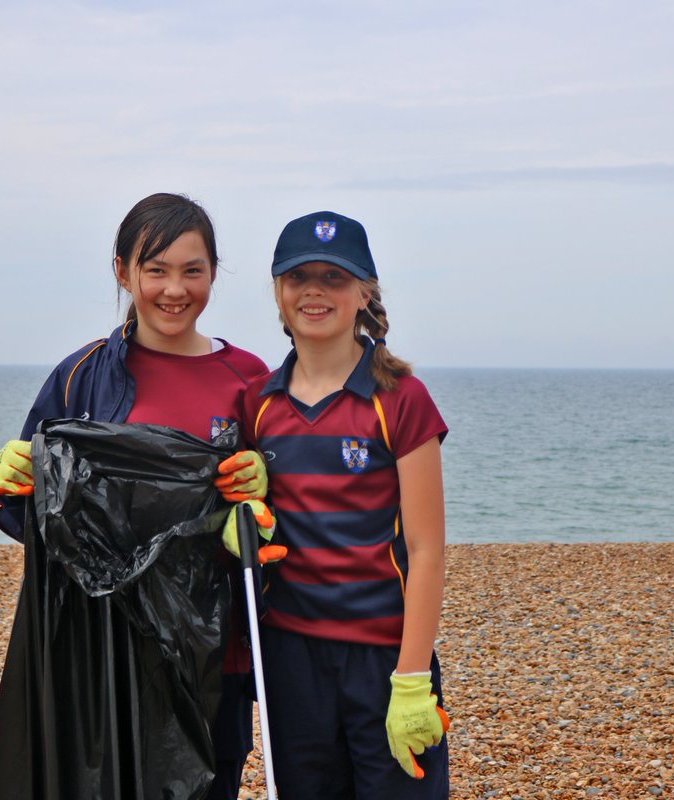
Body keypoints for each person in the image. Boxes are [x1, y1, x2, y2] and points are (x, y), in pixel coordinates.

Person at [0, 192, 268, 799]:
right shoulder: (82, 374)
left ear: (214, 273)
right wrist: (14, 478)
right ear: (123, 272)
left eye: (192, 270)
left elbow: (283, 515)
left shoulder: (250, 378)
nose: (174, 289)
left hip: (214, 647)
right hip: (102, 648)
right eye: (155, 269)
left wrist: (265, 486)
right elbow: (28, 515)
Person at [235, 210, 450, 798]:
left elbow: (428, 550)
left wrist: (412, 676)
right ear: (278, 292)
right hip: (290, 655)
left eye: (334, 277)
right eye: (298, 276)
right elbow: (243, 508)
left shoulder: (401, 397)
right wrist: (234, 521)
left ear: (364, 293)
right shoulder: (256, 403)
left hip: (384, 657)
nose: (314, 291)